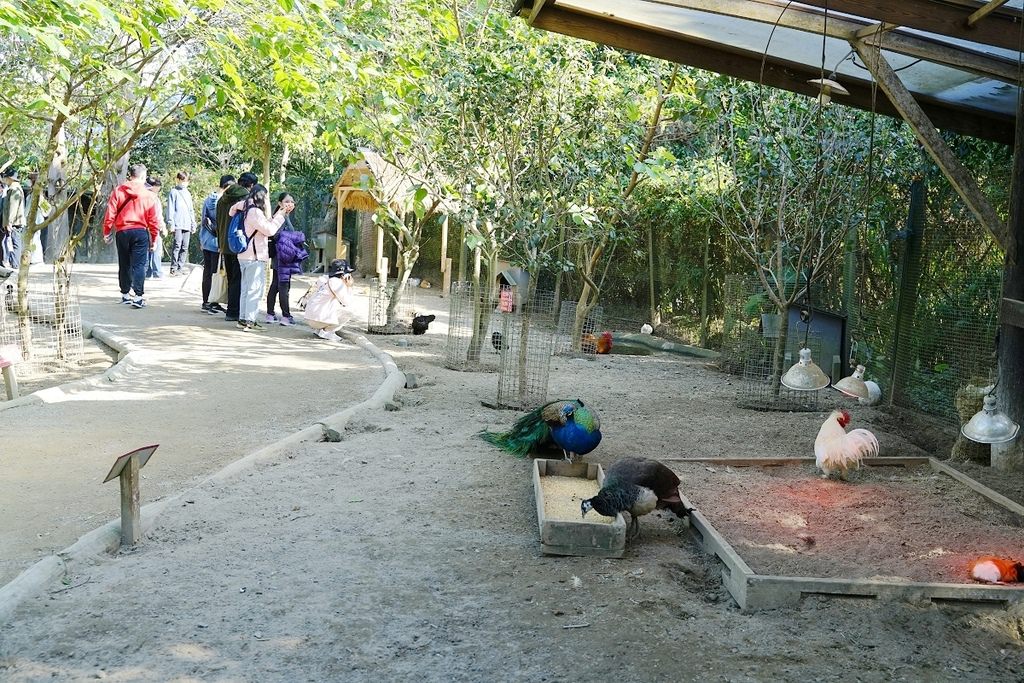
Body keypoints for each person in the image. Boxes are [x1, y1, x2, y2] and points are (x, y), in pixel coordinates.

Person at [229, 183, 291, 331]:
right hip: (254, 256)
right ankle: (250, 321)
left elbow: (263, 225)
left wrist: (278, 214)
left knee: (246, 289)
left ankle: (243, 319)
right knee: (254, 290)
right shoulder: (255, 212)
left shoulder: (244, 208)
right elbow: (269, 230)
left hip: (244, 255)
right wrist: (281, 216)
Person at [102, 164, 160, 309]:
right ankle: (138, 297)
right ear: (142, 176)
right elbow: (153, 220)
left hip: (122, 231)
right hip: (140, 231)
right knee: (139, 265)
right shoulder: (148, 195)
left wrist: (107, 231)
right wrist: (154, 239)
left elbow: (111, 212)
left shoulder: (119, 190)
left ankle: (125, 294)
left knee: (124, 263)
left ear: (130, 175)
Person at [216, 171, 258, 322]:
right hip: (239, 243)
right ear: (251, 185)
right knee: (239, 279)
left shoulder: (222, 199)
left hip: (225, 244)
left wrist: (220, 243)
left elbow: (219, 222)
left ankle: (231, 310)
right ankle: (235, 311)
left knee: (231, 278)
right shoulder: (245, 198)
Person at [265, 192, 308, 326]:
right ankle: (285, 316)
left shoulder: (284, 216)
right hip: (282, 256)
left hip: (283, 256)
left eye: (292, 202)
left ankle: (270, 314)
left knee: (275, 285)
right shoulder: (280, 216)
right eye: (286, 201)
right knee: (283, 286)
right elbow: (277, 235)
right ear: (279, 204)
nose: (290, 204)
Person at [200, 174, 233, 315]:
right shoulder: (223, 201)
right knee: (215, 273)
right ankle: (213, 302)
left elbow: (203, 220)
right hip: (217, 242)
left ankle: (206, 301)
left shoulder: (208, 199)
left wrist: (201, 240)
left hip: (206, 240)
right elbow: (222, 223)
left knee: (207, 272)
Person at [303, 258, 355, 341]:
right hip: (317, 319)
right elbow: (347, 302)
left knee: (332, 305)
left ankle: (319, 330)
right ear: (343, 274)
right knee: (348, 313)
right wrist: (349, 287)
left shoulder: (324, 278)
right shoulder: (336, 283)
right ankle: (327, 331)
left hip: (309, 316)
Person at [165, 171, 195, 276]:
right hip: (177, 223)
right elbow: (170, 209)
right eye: (182, 180)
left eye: (185, 181)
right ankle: (173, 268)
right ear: (178, 180)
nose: (183, 183)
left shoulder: (188, 193)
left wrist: (193, 224)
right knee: (177, 245)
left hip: (187, 223)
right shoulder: (173, 192)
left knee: (185, 246)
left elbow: (191, 210)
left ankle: (180, 267)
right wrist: (170, 223)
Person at [1, 168, 26, 270]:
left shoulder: (14, 189)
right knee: (11, 243)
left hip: (15, 222)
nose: (5, 179)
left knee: (15, 243)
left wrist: (9, 222)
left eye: (6, 177)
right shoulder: (12, 188)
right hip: (13, 222)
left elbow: (13, 207)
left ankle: (15, 265)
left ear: (10, 178)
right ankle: (14, 264)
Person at [144, 177, 166, 279]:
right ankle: (157, 272)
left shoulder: (141, 195)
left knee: (147, 250)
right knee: (156, 248)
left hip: (143, 226)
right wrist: (162, 226)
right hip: (153, 226)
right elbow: (157, 215)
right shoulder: (154, 198)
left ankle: (147, 272)